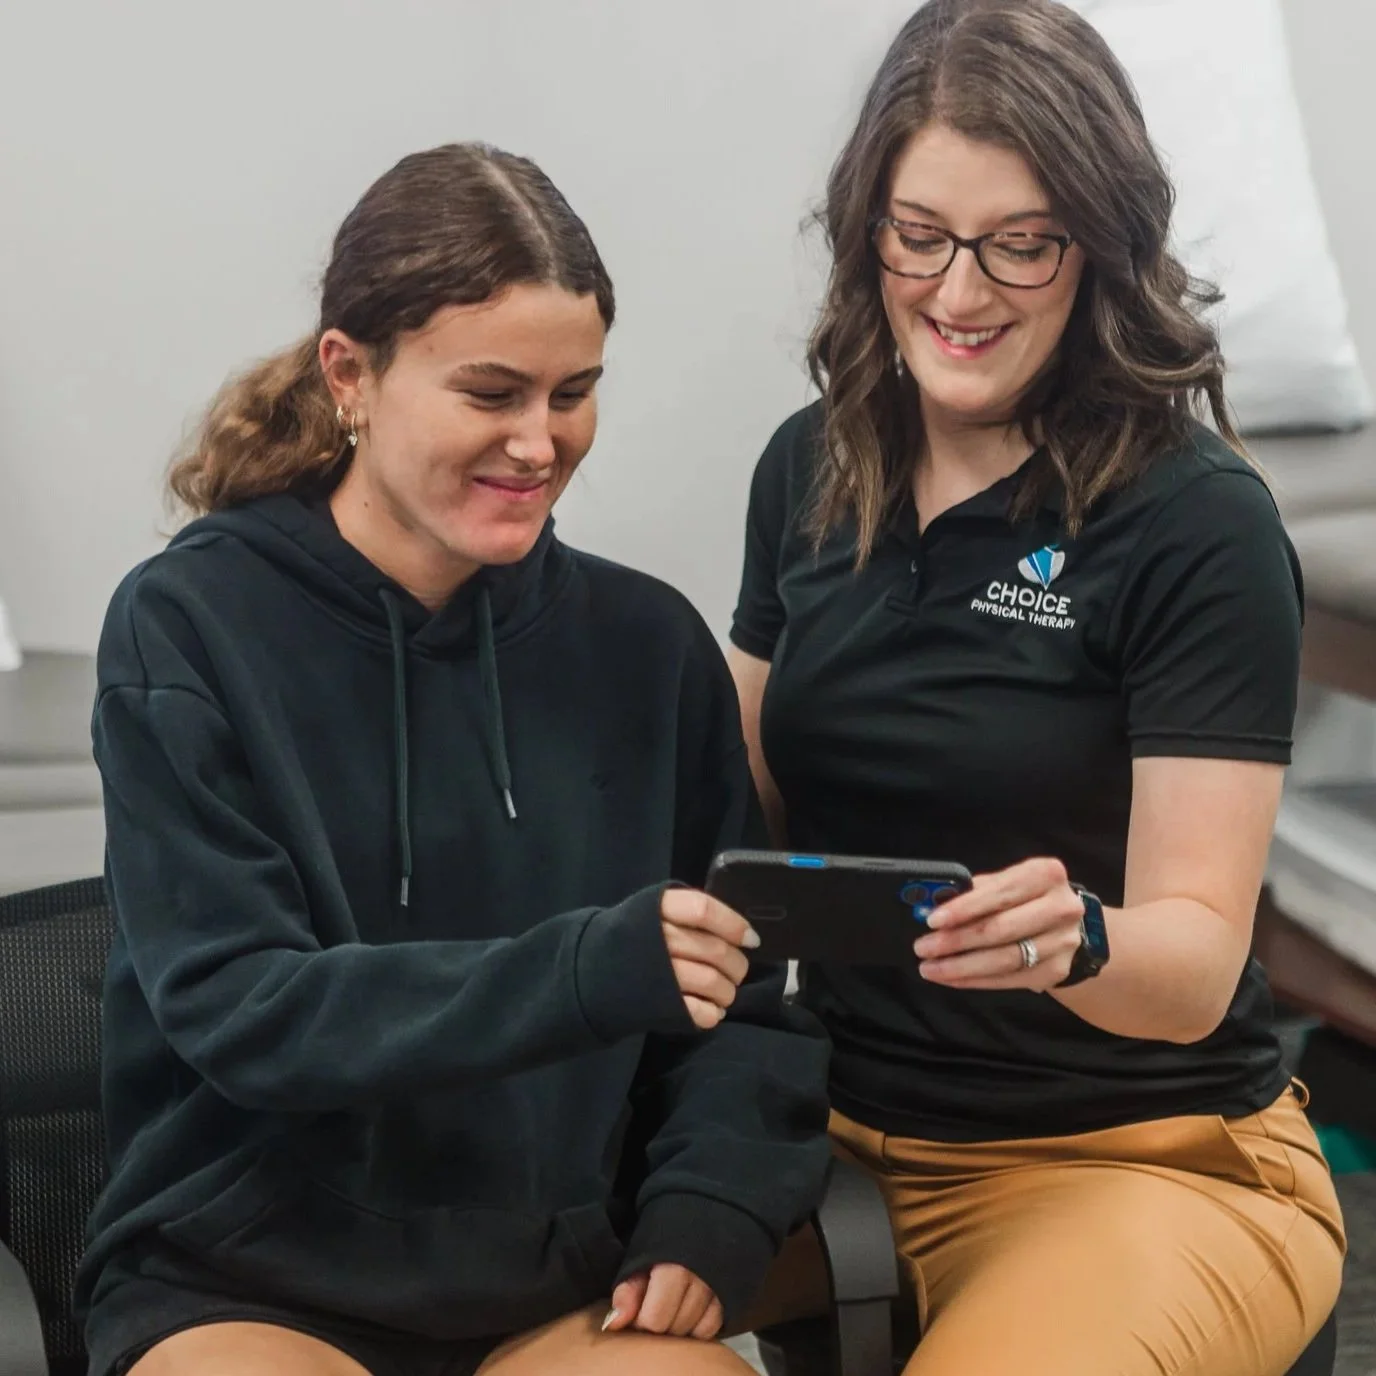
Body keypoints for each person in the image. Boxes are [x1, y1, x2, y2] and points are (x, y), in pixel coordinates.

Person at [76, 141, 831, 1376]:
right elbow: (245, 1008)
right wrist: (586, 969)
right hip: (245, 1284)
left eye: (572, 391)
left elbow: (740, 1003)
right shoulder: (188, 627)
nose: (539, 443)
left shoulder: (646, 647)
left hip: (560, 1284)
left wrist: (710, 1211)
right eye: (491, 393)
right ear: (349, 374)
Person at [730, 3, 1346, 1373]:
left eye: (1021, 243)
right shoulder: (809, 469)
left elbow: (1192, 965)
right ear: (867, 229)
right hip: (830, 1130)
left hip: (1140, 1162)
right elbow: (741, 797)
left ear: (1099, 246)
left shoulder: (1196, 523)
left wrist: (1076, 941)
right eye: (920, 235)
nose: (960, 293)